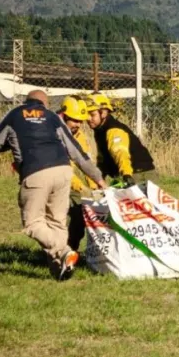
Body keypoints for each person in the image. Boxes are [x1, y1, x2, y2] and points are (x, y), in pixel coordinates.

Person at [0, 89, 106, 281]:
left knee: (32, 223)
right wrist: (99, 179)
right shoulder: (52, 117)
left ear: (26, 101)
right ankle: (59, 270)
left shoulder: (15, 114)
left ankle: (64, 251)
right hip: (63, 172)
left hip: (36, 172)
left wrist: (14, 141)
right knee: (57, 222)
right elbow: (77, 153)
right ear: (45, 104)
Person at [85, 92, 157, 186]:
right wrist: (99, 177)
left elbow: (120, 153)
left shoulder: (113, 130)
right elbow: (102, 158)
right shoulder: (100, 130)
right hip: (127, 173)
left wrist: (126, 175)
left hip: (138, 173)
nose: (88, 118)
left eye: (92, 114)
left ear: (104, 113)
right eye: (86, 114)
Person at [57, 95, 99, 253]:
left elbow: (86, 162)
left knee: (81, 212)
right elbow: (64, 167)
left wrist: (95, 186)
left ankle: (69, 250)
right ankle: (61, 251)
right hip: (56, 179)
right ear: (64, 115)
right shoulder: (55, 133)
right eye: (75, 120)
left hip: (72, 182)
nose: (78, 125)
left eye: (81, 121)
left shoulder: (80, 136)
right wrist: (81, 188)